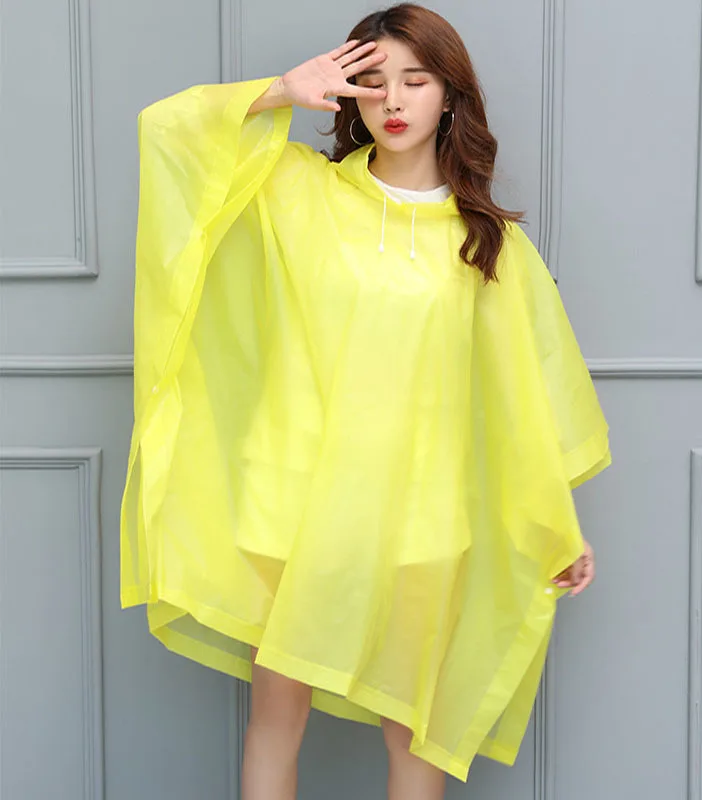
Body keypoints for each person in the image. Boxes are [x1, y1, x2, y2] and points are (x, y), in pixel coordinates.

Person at [120, 4, 611, 799]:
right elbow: (169, 134)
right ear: (350, 94)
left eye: (417, 81)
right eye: (374, 81)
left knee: (415, 734)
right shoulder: (295, 193)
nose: (394, 100)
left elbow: (525, 392)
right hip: (294, 507)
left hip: (421, 519)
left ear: (449, 96)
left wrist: (555, 523)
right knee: (275, 720)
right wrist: (281, 91)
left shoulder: (487, 242)